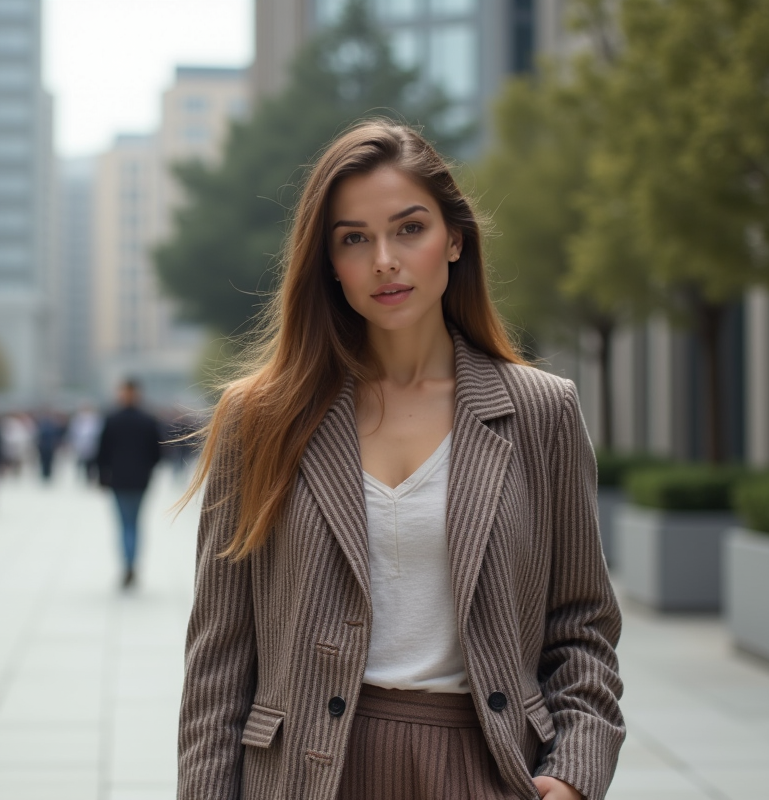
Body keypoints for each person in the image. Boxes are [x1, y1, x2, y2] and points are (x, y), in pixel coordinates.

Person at [177, 121, 624, 800]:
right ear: (330, 263)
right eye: (354, 239)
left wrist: (572, 774)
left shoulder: (541, 411)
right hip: (305, 775)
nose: (385, 260)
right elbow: (218, 660)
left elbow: (582, 625)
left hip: (485, 768)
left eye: (409, 229)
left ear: (455, 239)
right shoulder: (262, 418)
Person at [95, 379, 161, 588]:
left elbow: (102, 452)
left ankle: (127, 563)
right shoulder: (148, 420)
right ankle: (132, 563)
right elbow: (157, 453)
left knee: (124, 524)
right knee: (135, 523)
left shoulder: (112, 419)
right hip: (140, 479)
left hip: (118, 479)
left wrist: (101, 476)